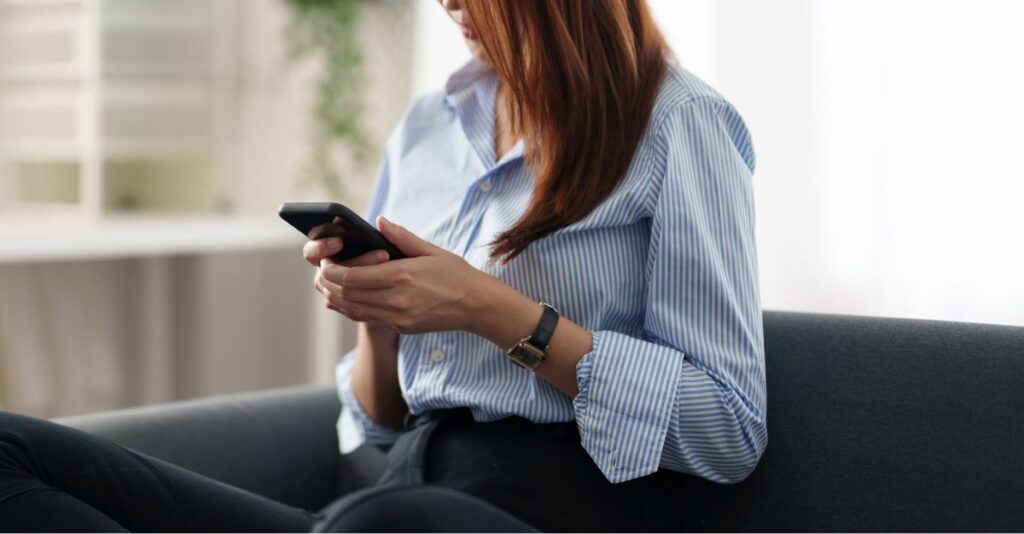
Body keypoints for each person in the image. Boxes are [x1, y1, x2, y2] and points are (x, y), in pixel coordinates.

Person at [0, 0, 766, 531]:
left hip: (554, 508)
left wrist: (485, 307)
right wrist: (380, 313)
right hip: (393, 498)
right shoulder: (427, 128)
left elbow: (729, 429)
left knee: (392, 520)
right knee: (11, 451)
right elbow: (380, 423)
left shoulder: (680, 127)